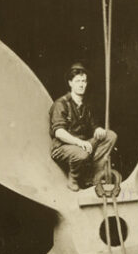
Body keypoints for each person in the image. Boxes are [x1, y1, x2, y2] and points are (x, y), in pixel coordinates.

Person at [49, 62, 117, 191]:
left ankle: (94, 176)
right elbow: (59, 132)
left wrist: (98, 129)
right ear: (70, 83)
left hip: (82, 145)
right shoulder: (61, 104)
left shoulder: (86, 105)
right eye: (78, 81)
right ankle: (73, 178)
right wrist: (79, 142)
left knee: (111, 136)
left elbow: (93, 125)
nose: (81, 84)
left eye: (84, 81)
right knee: (82, 153)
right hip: (62, 147)